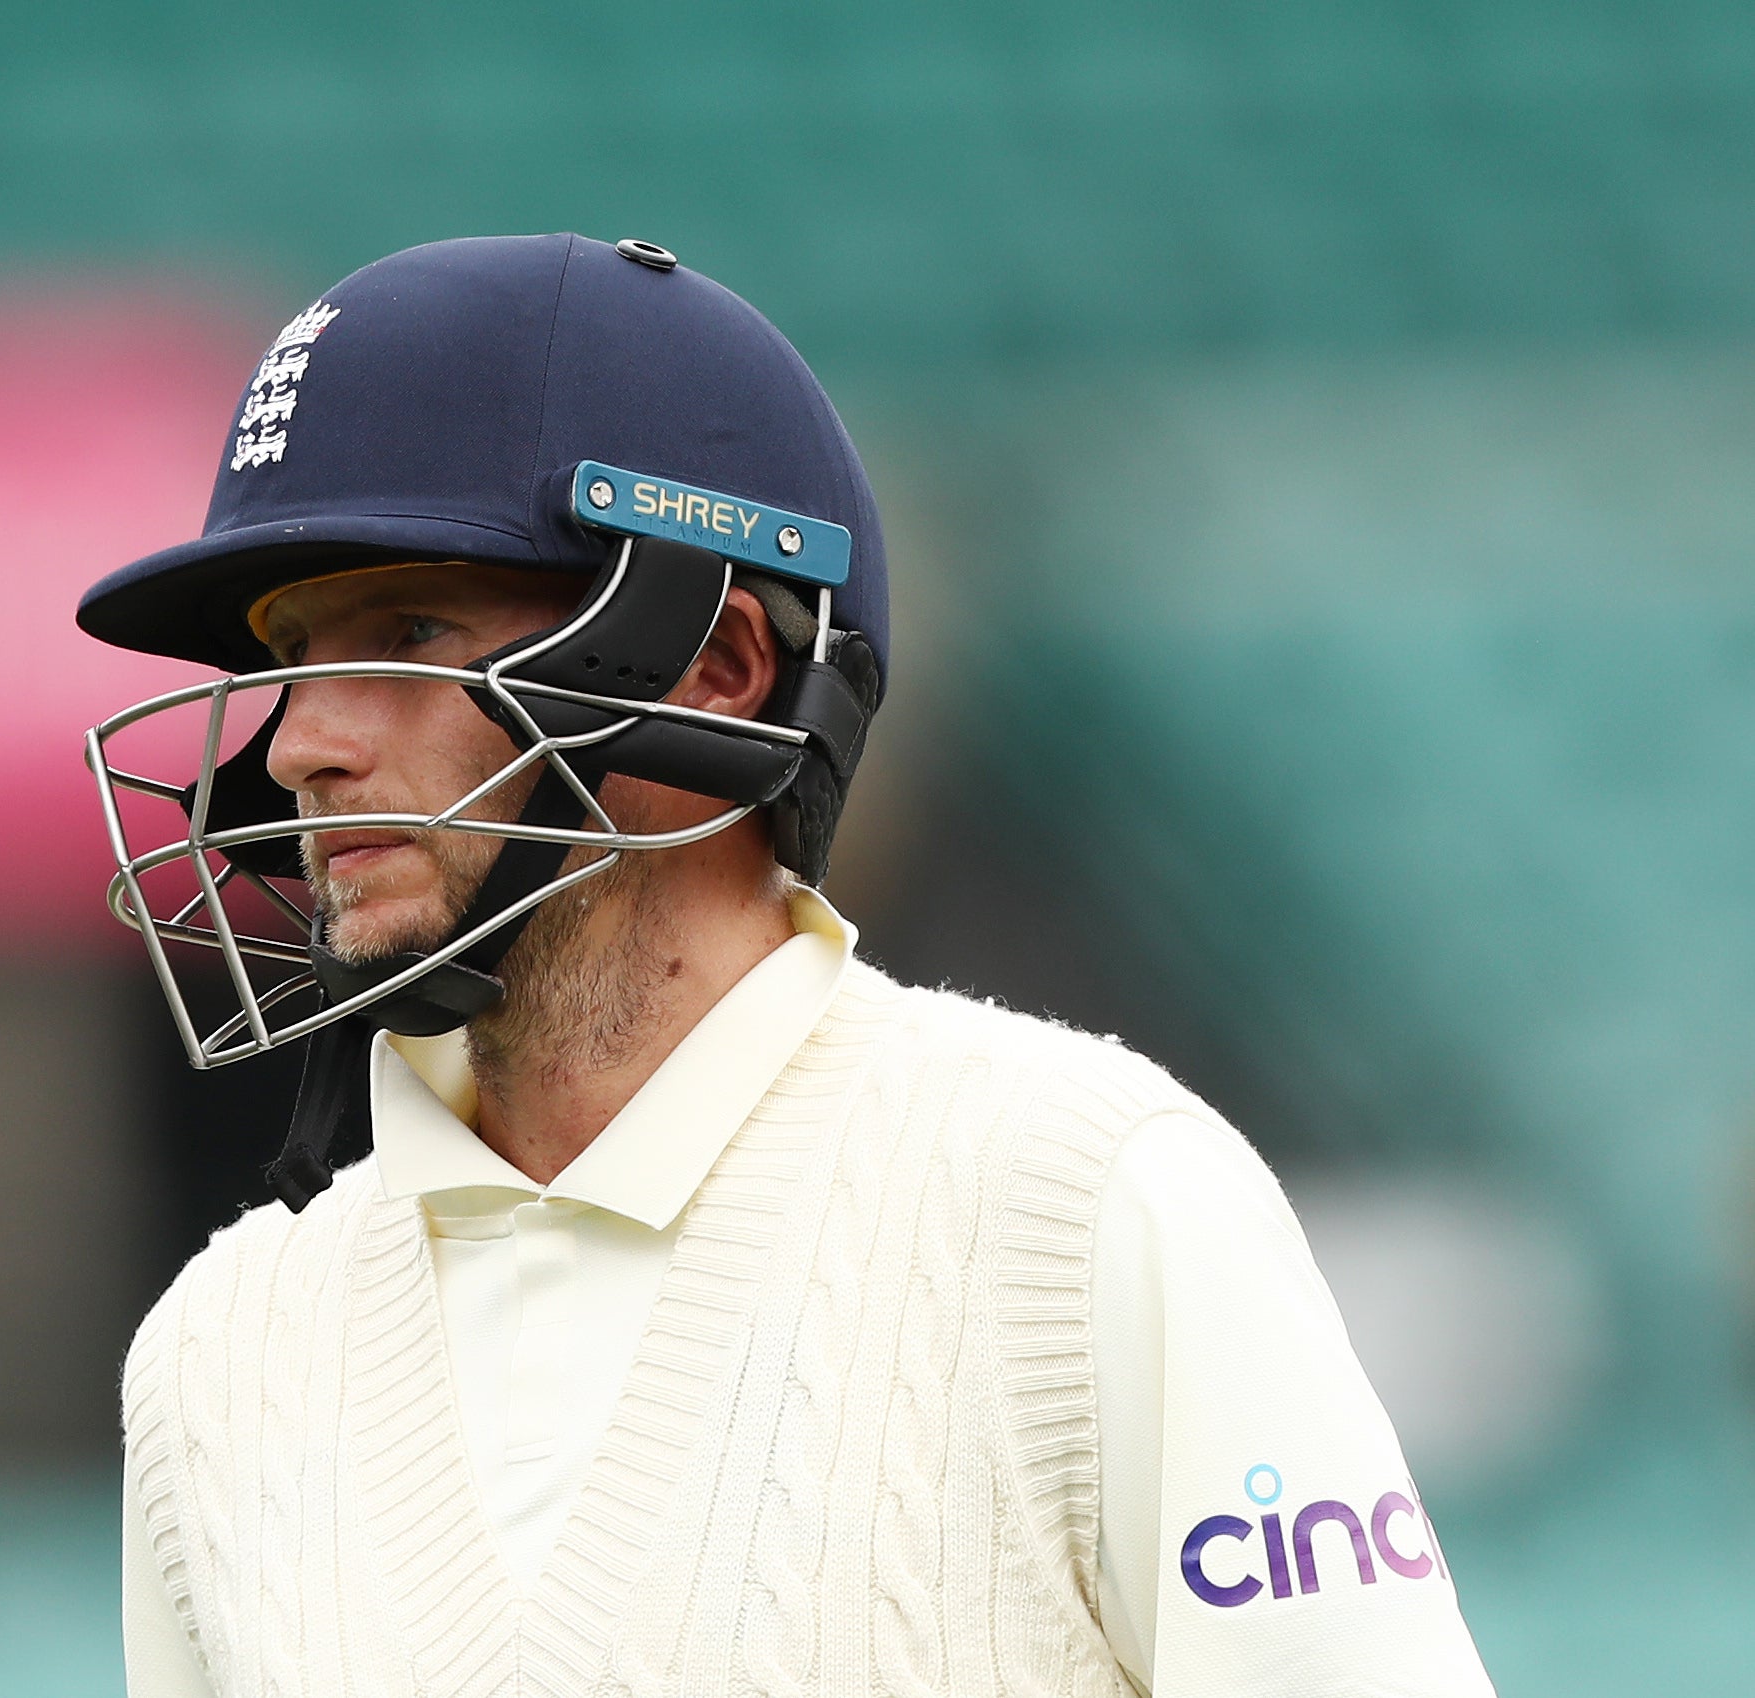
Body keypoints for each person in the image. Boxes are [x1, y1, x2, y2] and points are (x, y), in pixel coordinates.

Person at [75, 234, 1494, 1697]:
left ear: (717, 666)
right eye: (291, 656)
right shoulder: (219, 1359)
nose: (301, 744)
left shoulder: (1089, 1205)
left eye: (410, 630)